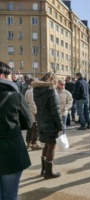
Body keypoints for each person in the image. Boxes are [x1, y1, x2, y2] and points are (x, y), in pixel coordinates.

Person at [0, 61, 32, 200]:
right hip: (10, 152)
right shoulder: (15, 96)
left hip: (10, 151)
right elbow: (28, 123)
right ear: (2, 76)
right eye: (10, 75)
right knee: (10, 195)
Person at [32, 72, 63, 179]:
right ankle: (48, 172)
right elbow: (56, 111)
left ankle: (44, 170)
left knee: (46, 145)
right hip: (50, 122)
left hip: (41, 121)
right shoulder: (51, 91)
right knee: (51, 146)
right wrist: (60, 125)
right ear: (53, 80)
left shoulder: (36, 90)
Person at [25, 77, 43, 150]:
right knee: (35, 128)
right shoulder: (32, 91)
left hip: (30, 111)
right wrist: (36, 113)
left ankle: (28, 142)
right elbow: (32, 104)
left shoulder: (28, 91)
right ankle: (34, 143)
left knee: (30, 127)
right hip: (33, 112)